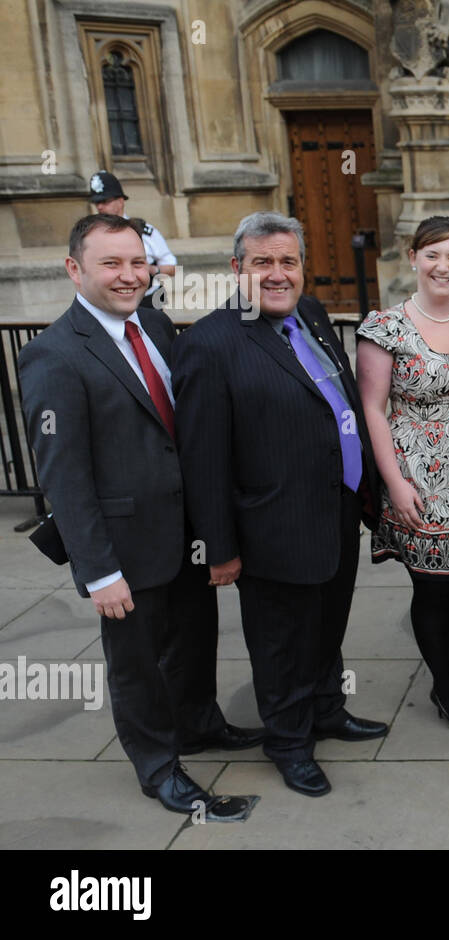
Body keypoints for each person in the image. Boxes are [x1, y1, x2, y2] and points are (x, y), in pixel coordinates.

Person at [17, 215, 257, 815]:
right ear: (75, 269)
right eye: (111, 264)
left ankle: (200, 724)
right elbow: (64, 478)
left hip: (184, 534)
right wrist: (98, 572)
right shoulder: (54, 356)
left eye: (137, 262)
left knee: (196, 640)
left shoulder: (151, 323)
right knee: (137, 666)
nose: (129, 276)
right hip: (124, 546)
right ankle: (158, 767)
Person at [171, 211, 389, 799]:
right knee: (281, 644)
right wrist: (219, 548)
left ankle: (325, 710)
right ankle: (289, 742)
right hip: (271, 526)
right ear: (236, 268)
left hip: (338, 512)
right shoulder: (207, 345)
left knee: (326, 627)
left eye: (288, 262)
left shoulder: (311, 316)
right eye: (262, 262)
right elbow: (203, 458)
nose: (277, 274)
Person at [356, 216, 449, 734]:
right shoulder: (385, 326)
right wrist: (394, 482)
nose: (444, 266)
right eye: (433, 254)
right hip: (420, 473)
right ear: (413, 257)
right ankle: (446, 683)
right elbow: (373, 408)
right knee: (436, 586)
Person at [89, 170, 176, 310]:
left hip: (147, 303)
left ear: (120, 201)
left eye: (105, 201)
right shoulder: (94, 236)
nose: (99, 207)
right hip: (111, 303)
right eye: (97, 202)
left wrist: (152, 269)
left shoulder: (145, 232)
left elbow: (173, 268)